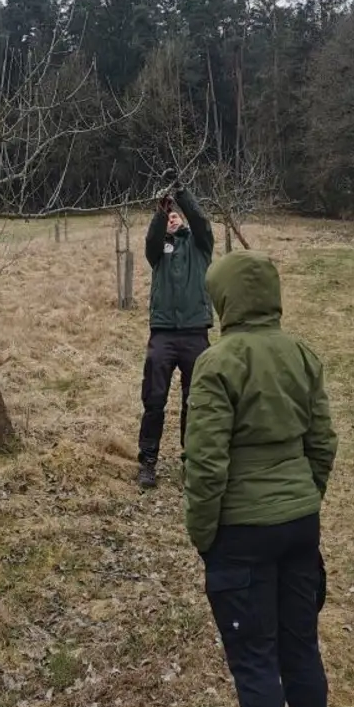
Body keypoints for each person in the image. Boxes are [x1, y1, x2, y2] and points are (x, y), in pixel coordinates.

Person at [183, 249, 338, 707]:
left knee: (254, 664)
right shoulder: (302, 354)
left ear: (224, 300)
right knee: (301, 651)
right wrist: (305, 499)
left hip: (241, 535)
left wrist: (203, 535)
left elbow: (205, 464)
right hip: (299, 528)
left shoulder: (215, 365)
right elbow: (323, 443)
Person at [137, 171, 217, 488]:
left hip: (196, 333)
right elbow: (151, 240)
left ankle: (193, 461)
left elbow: (202, 222)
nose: (172, 220)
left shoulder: (200, 246)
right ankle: (148, 462)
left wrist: (182, 194)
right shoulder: (158, 253)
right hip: (163, 334)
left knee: (195, 401)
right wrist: (161, 209)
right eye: (169, 217)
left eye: (175, 217)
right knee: (154, 399)